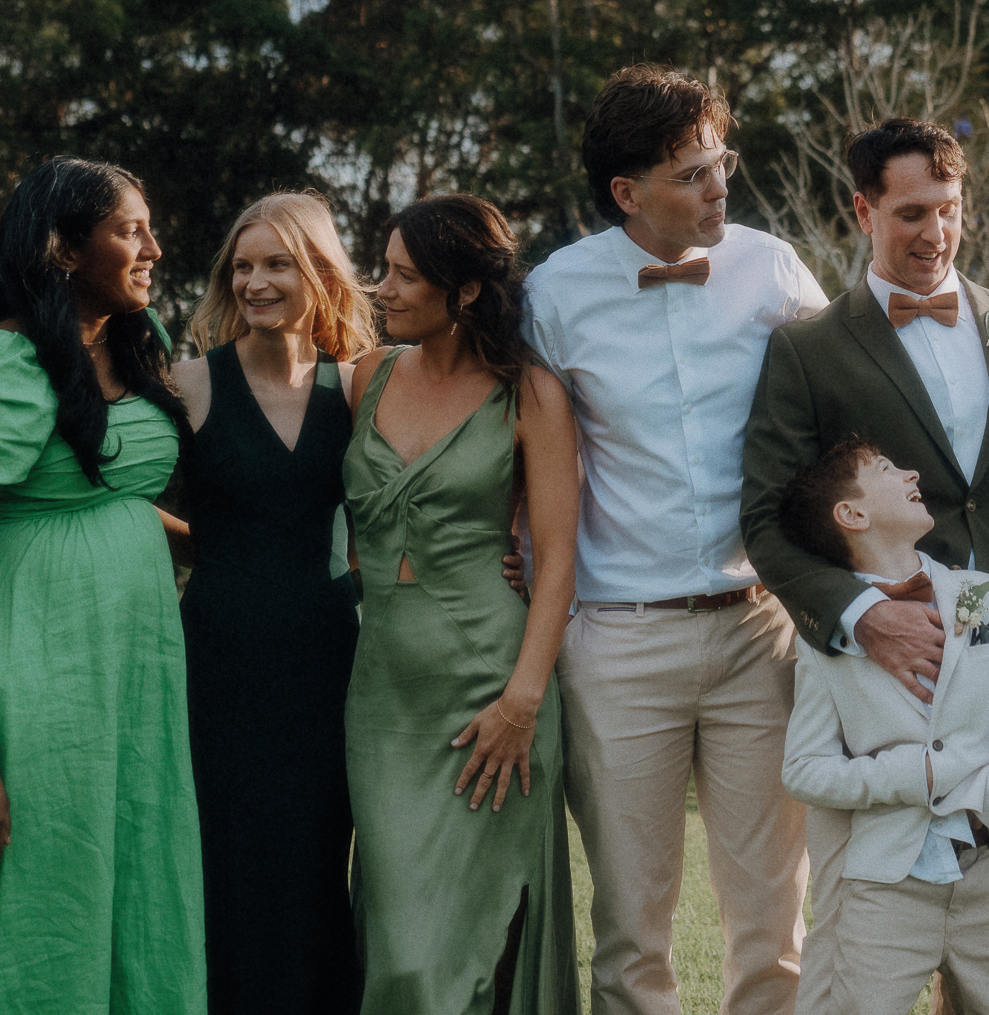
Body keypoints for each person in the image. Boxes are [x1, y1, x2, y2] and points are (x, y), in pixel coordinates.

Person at [740, 116, 989, 995]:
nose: (935, 233)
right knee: (857, 953)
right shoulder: (809, 349)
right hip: (873, 694)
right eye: (912, 213)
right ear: (863, 209)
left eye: (951, 210)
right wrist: (863, 616)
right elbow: (767, 519)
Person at [521, 66, 828, 1015]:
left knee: (774, 926)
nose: (718, 187)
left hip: (757, 630)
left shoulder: (774, 267)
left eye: (720, 163)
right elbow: (528, 459)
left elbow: (842, 418)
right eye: (692, 173)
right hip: (619, 640)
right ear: (627, 192)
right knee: (630, 927)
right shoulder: (553, 293)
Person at [0, 155, 204, 1013]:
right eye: (127, 229)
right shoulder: (0, 362)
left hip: (130, 694)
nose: (151, 246)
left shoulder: (134, 349)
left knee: (134, 900)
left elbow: (108, 503)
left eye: (149, 226)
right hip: (28, 698)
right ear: (65, 250)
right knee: (34, 920)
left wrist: (230, 553)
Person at [345, 194, 581, 1015]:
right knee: (402, 942)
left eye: (405, 275)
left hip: (495, 687)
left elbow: (555, 561)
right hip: (384, 701)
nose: (383, 288)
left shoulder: (532, 396)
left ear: (467, 292)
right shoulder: (366, 377)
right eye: (384, 270)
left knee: (486, 930)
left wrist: (522, 699)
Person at [777, 439, 989, 1015]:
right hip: (885, 883)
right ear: (852, 514)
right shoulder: (827, 639)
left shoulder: (986, 597)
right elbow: (803, 770)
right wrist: (913, 772)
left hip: (987, 866)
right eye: (888, 468)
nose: (913, 471)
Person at [170, 191, 378, 1015]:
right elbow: (120, 498)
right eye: (243, 266)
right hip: (220, 651)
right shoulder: (187, 383)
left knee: (320, 850)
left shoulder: (360, 382)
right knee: (229, 851)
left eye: (277, 263)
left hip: (331, 651)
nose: (255, 281)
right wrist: (214, 547)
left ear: (319, 270)